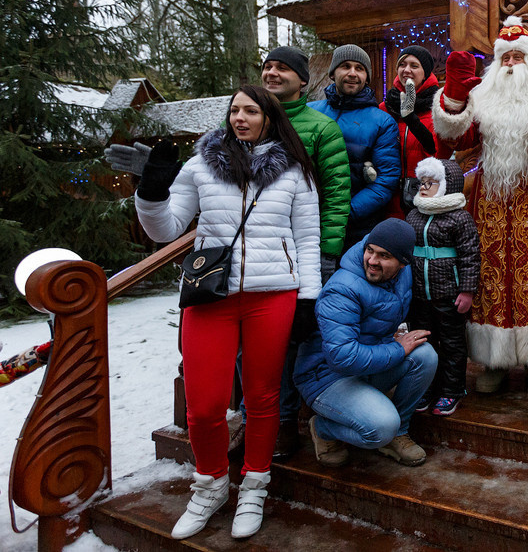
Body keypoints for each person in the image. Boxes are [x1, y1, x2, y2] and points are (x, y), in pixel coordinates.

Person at [130, 85, 320, 540]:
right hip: (210, 296)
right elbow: (167, 228)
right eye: (234, 110)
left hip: (272, 295)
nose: (240, 117)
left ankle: (254, 484)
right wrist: (150, 193)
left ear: (269, 118)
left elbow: (308, 239)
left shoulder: (295, 172)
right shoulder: (200, 166)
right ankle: (210, 484)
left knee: (261, 398)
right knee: (205, 405)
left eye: (250, 111)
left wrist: (308, 298)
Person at [432, 16, 528, 393]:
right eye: (504, 58)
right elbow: (454, 140)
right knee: (492, 273)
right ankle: (494, 359)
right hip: (490, 201)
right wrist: (456, 96)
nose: (509, 65)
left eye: (516, 57)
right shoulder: (483, 97)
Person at [259, 45, 351, 458]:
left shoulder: (319, 128)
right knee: (259, 343)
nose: (273, 73)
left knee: (301, 337)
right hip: (257, 254)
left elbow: (336, 195)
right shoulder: (251, 123)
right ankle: (265, 420)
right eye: (268, 67)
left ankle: (296, 420)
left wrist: (327, 251)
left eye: (282, 68)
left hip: (306, 252)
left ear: (302, 79)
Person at [293, 218, 438, 468]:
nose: (372, 260)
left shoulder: (402, 276)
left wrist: (395, 343)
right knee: (381, 427)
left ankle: (398, 433)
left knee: (425, 355)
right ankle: (323, 429)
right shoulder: (343, 289)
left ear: (402, 263)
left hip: (367, 364)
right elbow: (343, 357)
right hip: (326, 377)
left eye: (383, 256)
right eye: (369, 250)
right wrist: (397, 347)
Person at [405, 157, 480, 416]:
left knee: (451, 344)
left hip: (448, 294)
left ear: (447, 185)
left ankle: (452, 390)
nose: (423, 187)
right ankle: (426, 387)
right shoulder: (414, 214)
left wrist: (467, 290)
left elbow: (470, 256)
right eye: (422, 182)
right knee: (424, 342)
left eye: (431, 182)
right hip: (419, 294)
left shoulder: (459, 218)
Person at [310, 44, 401, 246]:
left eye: (359, 68)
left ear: (367, 77)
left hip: (357, 226)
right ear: (333, 73)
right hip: (308, 220)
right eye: (345, 66)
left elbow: (386, 180)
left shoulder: (382, 122)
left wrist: (345, 212)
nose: (352, 73)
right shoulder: (311, 113)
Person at [380, 45, 449, 216]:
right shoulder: (386, 107)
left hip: (424, 194)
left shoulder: (438, 106)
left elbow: (439, 153)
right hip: (390, 196)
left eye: (414, 65)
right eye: (402, 65)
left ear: (425, 72)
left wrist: (412, 120)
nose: (407, 70)